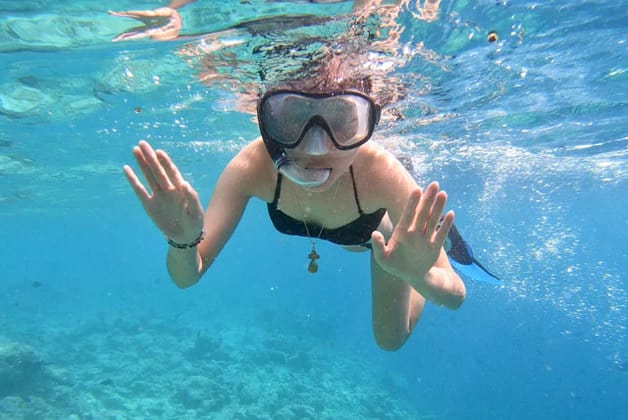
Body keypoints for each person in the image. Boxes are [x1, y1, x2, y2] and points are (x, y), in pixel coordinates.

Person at [119, 1, 466, 352]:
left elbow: (455, 297)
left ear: (369, 123)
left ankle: (419, 244)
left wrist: (418, 273)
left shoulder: (382, 172)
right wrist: (183, 241)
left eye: (343, 120)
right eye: (290, 118)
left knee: (389, 341)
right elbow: (187, 277)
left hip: (386, 242)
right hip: (366, 237)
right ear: (265, 121)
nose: (316, 148)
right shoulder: (251, 167)